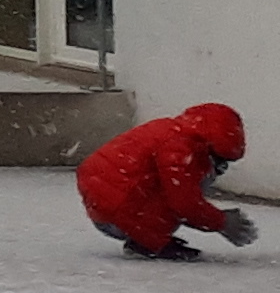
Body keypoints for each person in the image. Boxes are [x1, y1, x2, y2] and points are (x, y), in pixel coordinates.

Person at [76, 104, 256, 260]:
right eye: (219, 161)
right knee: (177, 192)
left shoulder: (174, 131)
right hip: (117, 207)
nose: (219, 169)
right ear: (209, 146)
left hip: (104, 195)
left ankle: (148, 236)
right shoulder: (181, 148)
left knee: (171, 188)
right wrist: (222, 222)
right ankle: (146, 242)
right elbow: (184, 202)